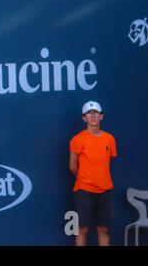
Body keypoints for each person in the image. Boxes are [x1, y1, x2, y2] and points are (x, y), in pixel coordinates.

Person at [69, 101, 118, 246]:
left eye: (95, 113)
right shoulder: (77, 139)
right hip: (84, 190)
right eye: (89, 113)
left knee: (104, 229)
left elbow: (106, 162)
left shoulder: (109, 138)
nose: (92, 116)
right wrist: (86, 178)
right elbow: (72, 166)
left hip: (105, 189)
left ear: (101, 116)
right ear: (84, 118)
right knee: (82, 229)